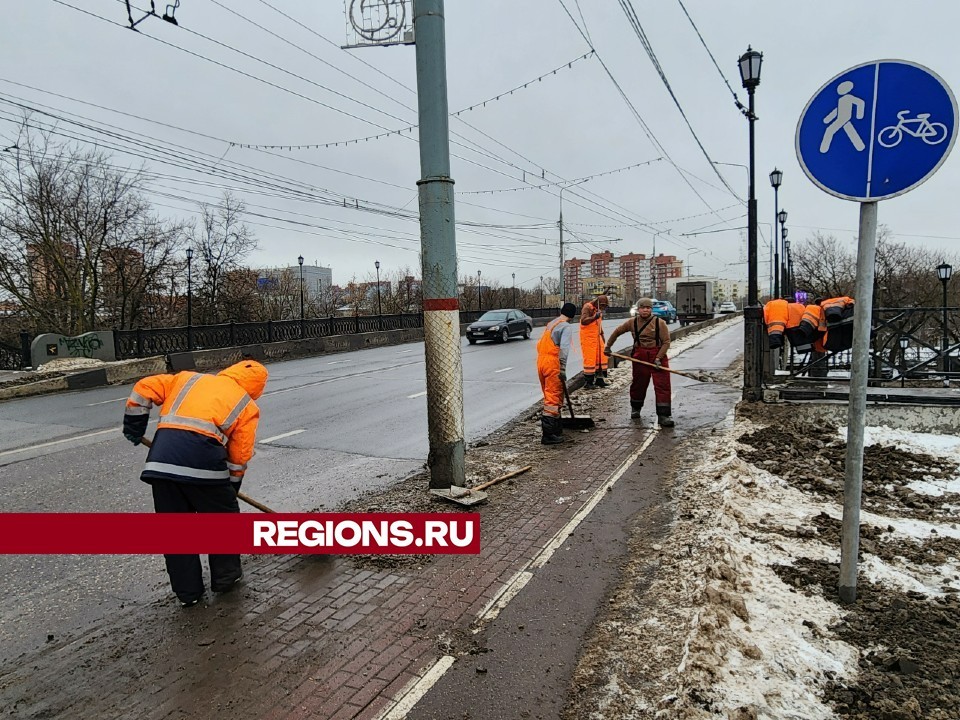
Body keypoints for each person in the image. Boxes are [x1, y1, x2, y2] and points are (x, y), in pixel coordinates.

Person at [122, 359, 269, 607]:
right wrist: (231, 489)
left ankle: (187, 594)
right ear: (256, 388)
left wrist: (134, 426)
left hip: (161, 466)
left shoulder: (187, 378)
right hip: (206, 468)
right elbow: (239, 455)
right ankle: (225, 579)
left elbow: (144, 388)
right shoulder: (246, 405)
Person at [603, 297, 674, 427]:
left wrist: (658, 358)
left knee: (662, 385)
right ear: (638, 309)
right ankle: (636, 408)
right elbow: (617, 332)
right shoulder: (632, 322)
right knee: (638, 384)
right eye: (643, 307)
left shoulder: (660, 323)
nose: (645, 310)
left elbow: (666, 342)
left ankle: (664, 415)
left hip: (658, 355)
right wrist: (608, 347)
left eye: (648, 308)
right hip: (640, 356)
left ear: (651, 309)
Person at [536, 302, 577, 445]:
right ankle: (548, 435)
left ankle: (556, 428)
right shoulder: (565, 326)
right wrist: (563, 369)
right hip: (553, 363)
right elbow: (564, 349)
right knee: (553, 398)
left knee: (549, 394)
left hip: (541, 362)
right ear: (572, 315)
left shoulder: (552, 323)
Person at [580, 294, 609, 388]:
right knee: (590, 359)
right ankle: (588, 382)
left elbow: (599, 325)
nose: (603, 308)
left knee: (601, 358)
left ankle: (599, 379)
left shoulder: (597, 310)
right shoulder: (587, 307)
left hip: (597, 337)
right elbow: (584, 321)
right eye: (602, 306)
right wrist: (594, 317)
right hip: (588, 338)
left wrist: (603, 337)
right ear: (597, 303)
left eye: (605, 306)